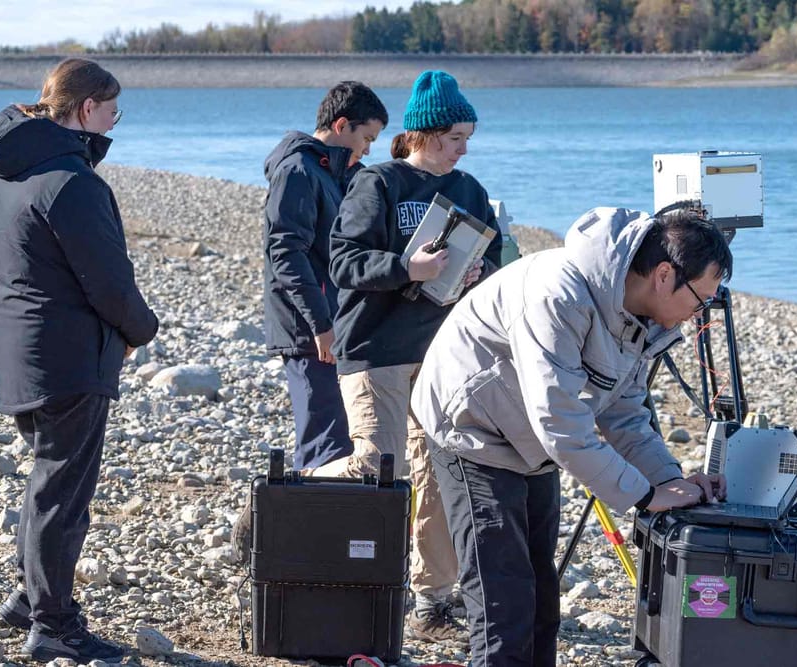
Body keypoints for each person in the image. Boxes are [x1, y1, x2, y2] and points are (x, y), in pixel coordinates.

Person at [411, 206, 732, 665]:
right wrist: (645, 496)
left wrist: (668, 480)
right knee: (503, 599)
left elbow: (624, 413)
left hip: (531, 439)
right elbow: (561, 425)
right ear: (664, 275)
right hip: (471, 429)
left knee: (542, 600)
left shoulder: (637, 314)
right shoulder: (558, 294)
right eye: (700, 300)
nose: (698, 315)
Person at [0, 58, 158, 663]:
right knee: (62, 496)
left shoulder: (14, 171)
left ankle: (29, 598)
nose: (113, 123)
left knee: (47, 483)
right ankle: (53, 623)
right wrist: (141, 329)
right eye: (112, 112)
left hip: (24, 355)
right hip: (69, 361)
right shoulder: (71, 181)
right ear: (86, 109)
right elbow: (109, 282)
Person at [314, 70, 502, 643]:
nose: (463, 149)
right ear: (423, 134)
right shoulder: (379, 182)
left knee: (440, 474)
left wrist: (479, 273)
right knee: (377, 464)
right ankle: (284, 491)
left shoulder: (470, 191)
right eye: (454, 138)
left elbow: (496, 266)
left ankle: (431, 600)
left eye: (467, 138)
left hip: (443, 355)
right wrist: (406, 268)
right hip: (376, 349)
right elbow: (342, 262)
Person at [263, 81, 388, 470]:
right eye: (366, 138)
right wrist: (321, 326)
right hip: (311, 332)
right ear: (341, 125)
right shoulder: (297, 170)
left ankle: (332, 506)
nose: (368, 149)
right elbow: (285, 252)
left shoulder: (338, 173)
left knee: (346, 441)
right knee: (325, 444)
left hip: (336, 324)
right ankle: (309, 504)